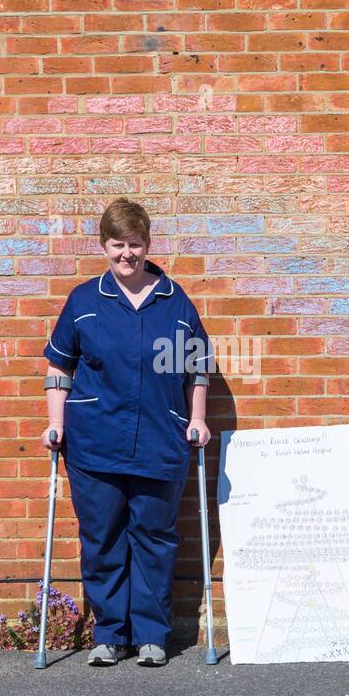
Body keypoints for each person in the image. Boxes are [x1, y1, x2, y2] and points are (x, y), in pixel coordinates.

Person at [41, 199, 212, 666]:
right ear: (104, 246)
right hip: (94, 443)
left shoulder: (174, 302)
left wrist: (197, 419)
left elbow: (195, 369)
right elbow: (59, 365)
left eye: (135, 244)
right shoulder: (84, 302)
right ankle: (111, 634)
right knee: (102, 539)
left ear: (147, 245)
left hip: (161, 440)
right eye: (118, 244)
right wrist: (56, 423)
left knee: (155, 538)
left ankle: (153, 635)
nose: (127, 254)